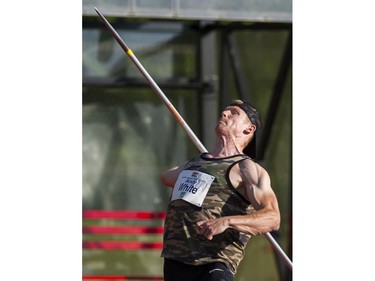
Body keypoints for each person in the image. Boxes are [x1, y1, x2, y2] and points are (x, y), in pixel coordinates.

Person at [160, 99, 281, 281]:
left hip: (213, 263)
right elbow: (165, 177)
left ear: (249, 129)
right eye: (225, 111)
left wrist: (227, 222)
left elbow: (273, 218)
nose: (224, 114)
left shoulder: (246, 169)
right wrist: (204, 164)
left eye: (234, 113)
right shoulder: (195, 163)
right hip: (176, 261)